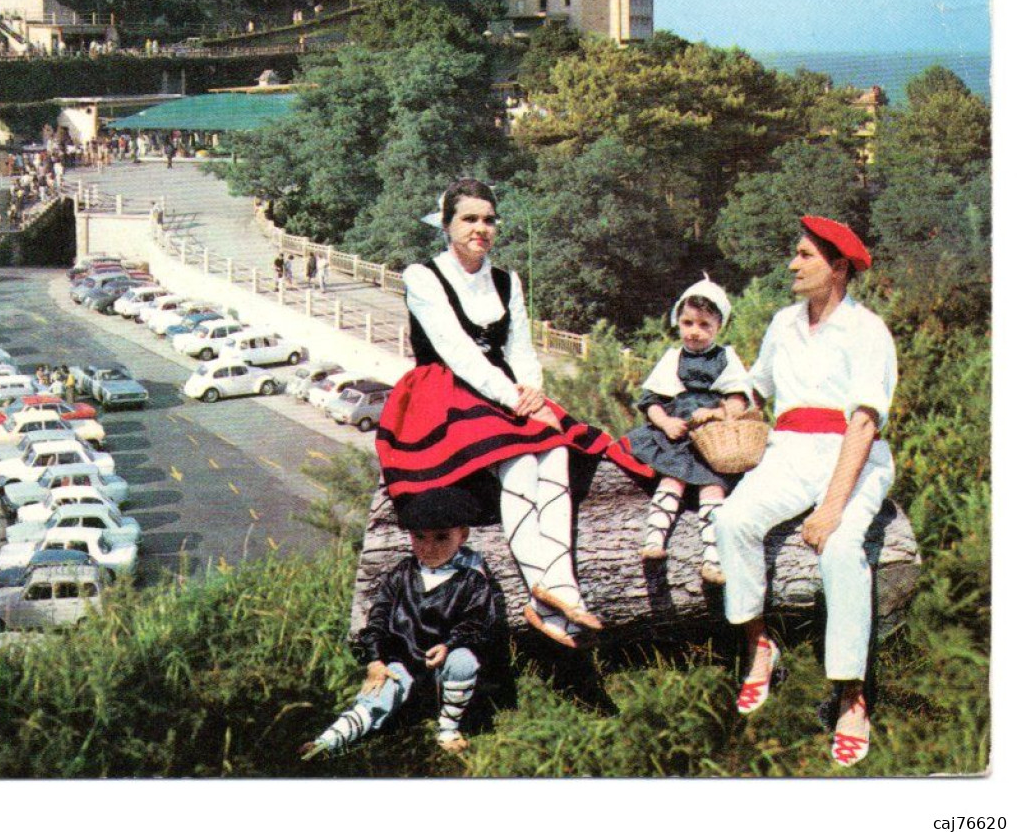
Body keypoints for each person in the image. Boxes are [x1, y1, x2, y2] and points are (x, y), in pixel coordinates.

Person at [376, 178, 653, 648]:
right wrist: (515, 401)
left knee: (556, 452)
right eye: (469, 219)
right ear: (446, 225)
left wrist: (534, 393)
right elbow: (457, 352)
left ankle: (558, 588)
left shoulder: (506, 279)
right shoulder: (423, 276)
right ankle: (542, 585)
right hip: (445, 390)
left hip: (506, 388)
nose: (481, 228)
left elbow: (521, 347)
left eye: (488, 219)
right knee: (520, 458)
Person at [715, 216, 896, 768]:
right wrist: (734, 408)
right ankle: (760, 646)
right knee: (732, 521)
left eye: (804, 256)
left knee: (840, 548)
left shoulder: (868, 331)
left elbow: (865, 424)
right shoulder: (783, 322)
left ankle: (850, 694)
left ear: (838, 267)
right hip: (788, 452)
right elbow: (757, 384)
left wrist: (832, 508)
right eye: (794, 255)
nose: (792, 265)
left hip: (850, 453)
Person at [300, 487, 499, 758]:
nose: (429, 547)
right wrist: (375, 659)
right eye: (420, 537)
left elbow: (477, 622)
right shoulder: (403, 572)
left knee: (464, 661)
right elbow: (379, 617)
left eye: (442, 537)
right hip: (402, 660)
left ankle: (448, 728)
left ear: (462, 535)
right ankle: (328, 741)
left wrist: (450, 644)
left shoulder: (471, 578)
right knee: (377, 694)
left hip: (443, 663)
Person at [620, 278, 751, 583]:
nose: (694, 331)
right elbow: (651, 401)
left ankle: (713, 558)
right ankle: (654, 540)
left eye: (704, 325)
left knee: (713, 487)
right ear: (677, 321)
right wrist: (665, 422)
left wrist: (718, 413)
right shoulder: (672, 357)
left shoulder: (726, 357)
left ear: (719, 326)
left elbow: (739, 399)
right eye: (687, 322)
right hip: (677, 431)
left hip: (712, 438)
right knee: (672, 479)